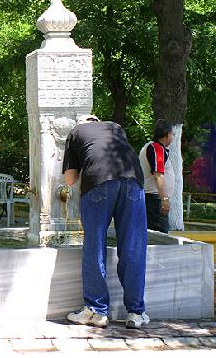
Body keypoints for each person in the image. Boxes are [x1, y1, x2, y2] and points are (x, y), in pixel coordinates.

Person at [62, 114, 149, 329]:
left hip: (98, 182)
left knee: (95, 246)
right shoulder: (116, 127)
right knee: (133, 247)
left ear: (81, 123)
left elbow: (70, 180)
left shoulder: (75, 133)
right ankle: (136, 312)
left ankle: (96, 311)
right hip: (133, 181)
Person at [139, 120, 175, 233]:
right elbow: (158, 175)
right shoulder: (156, 148)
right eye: (172, 134)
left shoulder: (153, 147)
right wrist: (164, 199)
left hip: (153, 199)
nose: (173, 137)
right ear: (166, 134)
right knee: (160, 239)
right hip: (154, 200)